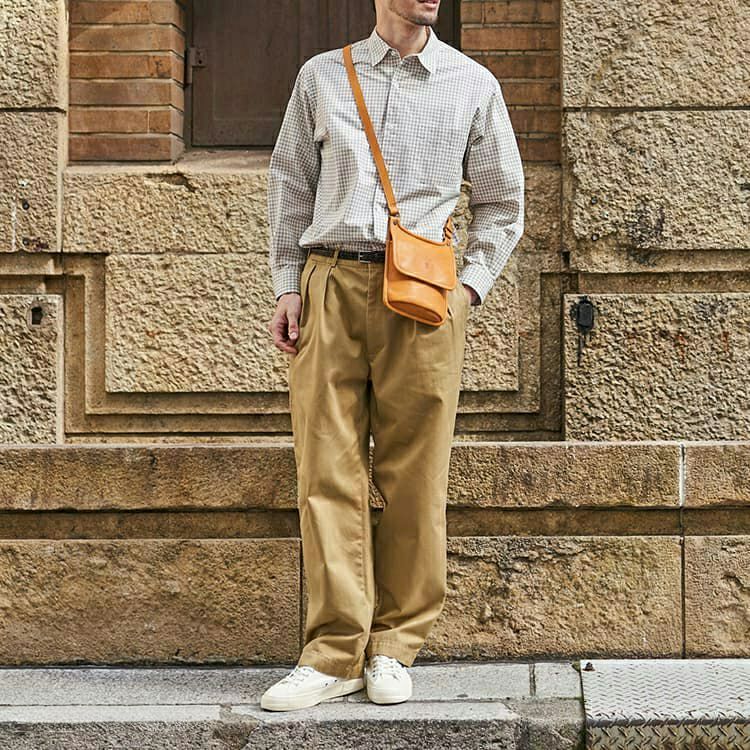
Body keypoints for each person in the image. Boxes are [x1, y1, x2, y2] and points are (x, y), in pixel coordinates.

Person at [263, 0, 524, 712]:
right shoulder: (322, 76)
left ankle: (394, 645)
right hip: (329, 282)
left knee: (417, 473)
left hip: (425, 297)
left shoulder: (472, 83)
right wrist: (287, 284)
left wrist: (467, 290)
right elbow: (290, 184)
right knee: (326, 468)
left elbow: (504, 203)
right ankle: (332, 653)